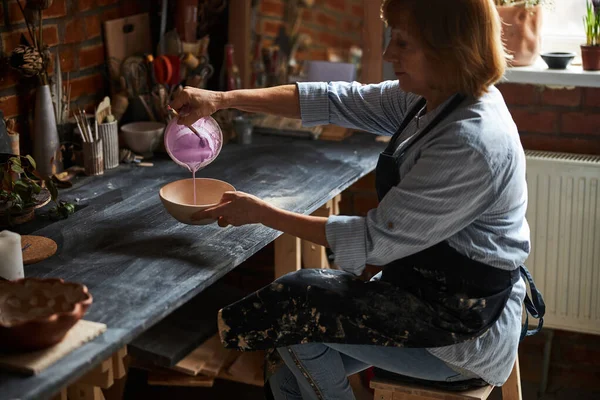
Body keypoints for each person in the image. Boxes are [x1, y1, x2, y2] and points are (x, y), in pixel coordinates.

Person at [170, 0, 545, 399]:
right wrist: (222, 100)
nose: (387, 54)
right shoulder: (436, 98)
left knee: (293, 319)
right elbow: (332, 100)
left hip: (462, 331)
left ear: (448, 47)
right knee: (284, 370)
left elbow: (371, 242)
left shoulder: (469, 140)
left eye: (402, 43)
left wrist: (262, 213)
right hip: (424, 290)